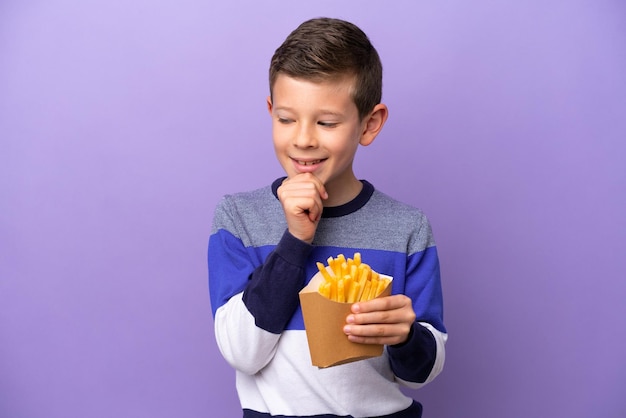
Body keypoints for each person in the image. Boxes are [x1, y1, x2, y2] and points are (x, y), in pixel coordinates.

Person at [208, 17, 447, 418]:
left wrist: (405, 336)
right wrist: (295, 240)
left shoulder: (408, 227)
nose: (303, 138)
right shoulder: (238, 218)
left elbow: (422, 373)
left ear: (369, 124)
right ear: (270, 111)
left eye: (327, 122)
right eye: (286, 119)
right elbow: (242, 353)